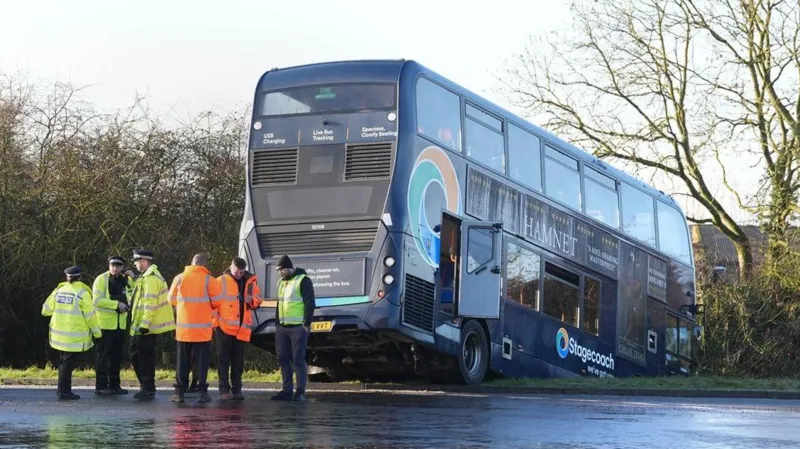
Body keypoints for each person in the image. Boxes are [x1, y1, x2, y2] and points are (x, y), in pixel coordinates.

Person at [41, 265, 102, 400]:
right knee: (67, 365)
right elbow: (91, 317)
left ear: (67, 277)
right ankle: (63, 391)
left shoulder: (59, 291)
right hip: (74, 337)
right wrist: (98, 334)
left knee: (64, 362)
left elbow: (45, 310)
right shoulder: (82, 293)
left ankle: (62, 390)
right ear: (80, 277)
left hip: (58, 336)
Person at [168, 253, 223, 403]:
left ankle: (179, 393)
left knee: (182, 362)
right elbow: (218, 302)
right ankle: (202, 393)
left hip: (184, 330)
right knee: (201, 362)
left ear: (191, 264)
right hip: (203, 330)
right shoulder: (209, 280)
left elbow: (171, 300)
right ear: (204, 265)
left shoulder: (179, 278)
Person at [129, 249, 175, 399]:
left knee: (144, 358)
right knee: (136, 356)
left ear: (143, 261)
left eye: (137, 261)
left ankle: (148, 387)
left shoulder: (151, 279)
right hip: (140, 326)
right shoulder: (144, 278)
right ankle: (146, 386)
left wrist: (144, 324)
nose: (135, 264)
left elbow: (150, 304)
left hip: (146, 328)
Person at [215, 257, 263, 400]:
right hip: (224, 327)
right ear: (231, 267)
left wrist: (252, 301)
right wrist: (215, 324)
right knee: (223, 360)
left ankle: (237, 389)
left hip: (241, 328)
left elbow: (258, 298)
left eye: (241, 272)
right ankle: (224, 390)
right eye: (237, 272)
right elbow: (213, 304)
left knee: (238, 361)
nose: (239, 275)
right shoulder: (221, 280)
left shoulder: (250, 281)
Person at [271, 255, 315, 402]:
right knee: (283, 358)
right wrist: (277, 323)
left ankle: (300, 391)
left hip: (298, 328)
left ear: (288, 267)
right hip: (282, 327)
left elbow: (310, 302)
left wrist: (306, 324)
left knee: (298, 359)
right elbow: (280, 304)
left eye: (281, 269)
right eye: (278, 270)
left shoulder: (303, 280)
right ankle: (286, 390)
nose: (280, 273)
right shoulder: (281, 283)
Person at [91, 255, 133, 396]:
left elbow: (132, 296)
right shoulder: (101, 279)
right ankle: (101, 386)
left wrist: (133, 279)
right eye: (112, 265)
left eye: (118, 265)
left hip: (119, 325)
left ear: (122, 268)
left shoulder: (125, 280)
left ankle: (115, 385)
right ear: (108, 265)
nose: (115, 268)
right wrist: (116, 305)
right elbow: (97, 301)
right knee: (102, 357)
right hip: (104, 325)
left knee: (116, 357)